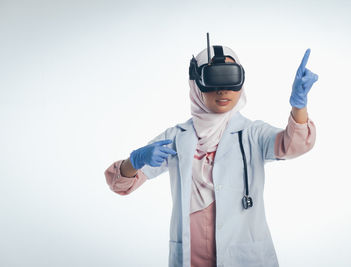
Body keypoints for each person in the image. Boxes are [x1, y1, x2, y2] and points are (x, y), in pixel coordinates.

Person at [104, 44, 318, 267]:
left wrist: (298, 107)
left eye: (230, 80)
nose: (223, 91)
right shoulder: (176, 137)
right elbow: (120, 185)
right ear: (196, 84)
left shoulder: (252, 133)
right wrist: (135, 161)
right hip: (192, 257)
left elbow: (294, 145)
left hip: (245, 257)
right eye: (214, 81)